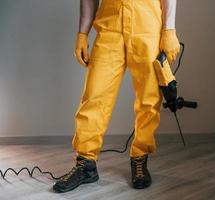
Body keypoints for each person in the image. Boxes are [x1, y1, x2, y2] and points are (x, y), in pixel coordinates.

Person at [53, 0, 180, 193]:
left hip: (147, 23)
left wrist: (169, 29)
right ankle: (85, 164)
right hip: (110, 24)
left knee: (149, 99)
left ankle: (140, 157)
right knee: (94, 97)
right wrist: (82, 33)